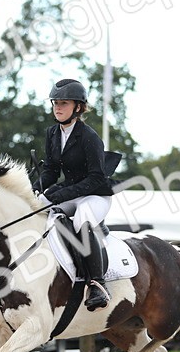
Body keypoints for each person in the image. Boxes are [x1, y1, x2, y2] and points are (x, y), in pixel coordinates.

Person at [36, 78, 122, 311]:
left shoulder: (89, 136)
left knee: (82, 218)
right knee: (41, 214)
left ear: (78, 107)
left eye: (63, 103)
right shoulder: (52, 133)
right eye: (55, 102)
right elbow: (51, 170)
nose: (57, 107)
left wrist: (59, 195)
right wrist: (36, 190)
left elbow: (95, 178)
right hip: (72, 193)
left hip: (96, 195)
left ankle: (97, 284)